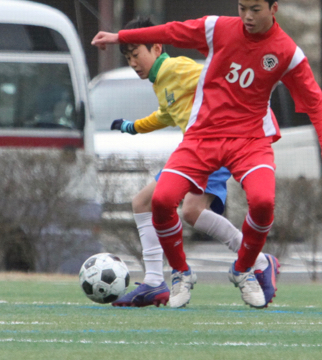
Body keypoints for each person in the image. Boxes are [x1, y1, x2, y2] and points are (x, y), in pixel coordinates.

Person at [93, 0, 322, 308]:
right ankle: (180, 274)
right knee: (161, 201)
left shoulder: (286, 52)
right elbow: (172, 30)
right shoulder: (220, 28)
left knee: (263, 202)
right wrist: (120, 37)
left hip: (248, 140)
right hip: (203, 137)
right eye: (242, 7)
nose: (246, 16)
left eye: (255, 9)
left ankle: (244, 269)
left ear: (273, 8)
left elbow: (315, 100)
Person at [108, 17, 279, 309]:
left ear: (157, 47)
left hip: (215, 146)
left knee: (188, 210)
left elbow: (213, 76)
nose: (133, 62)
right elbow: (165, 114)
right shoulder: (160, 80)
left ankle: (259, 261)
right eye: (127, 58)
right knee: (145, 203)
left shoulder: (175, 68)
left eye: (136, 55)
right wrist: (132, 127)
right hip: (194, 153)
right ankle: (153, 282)